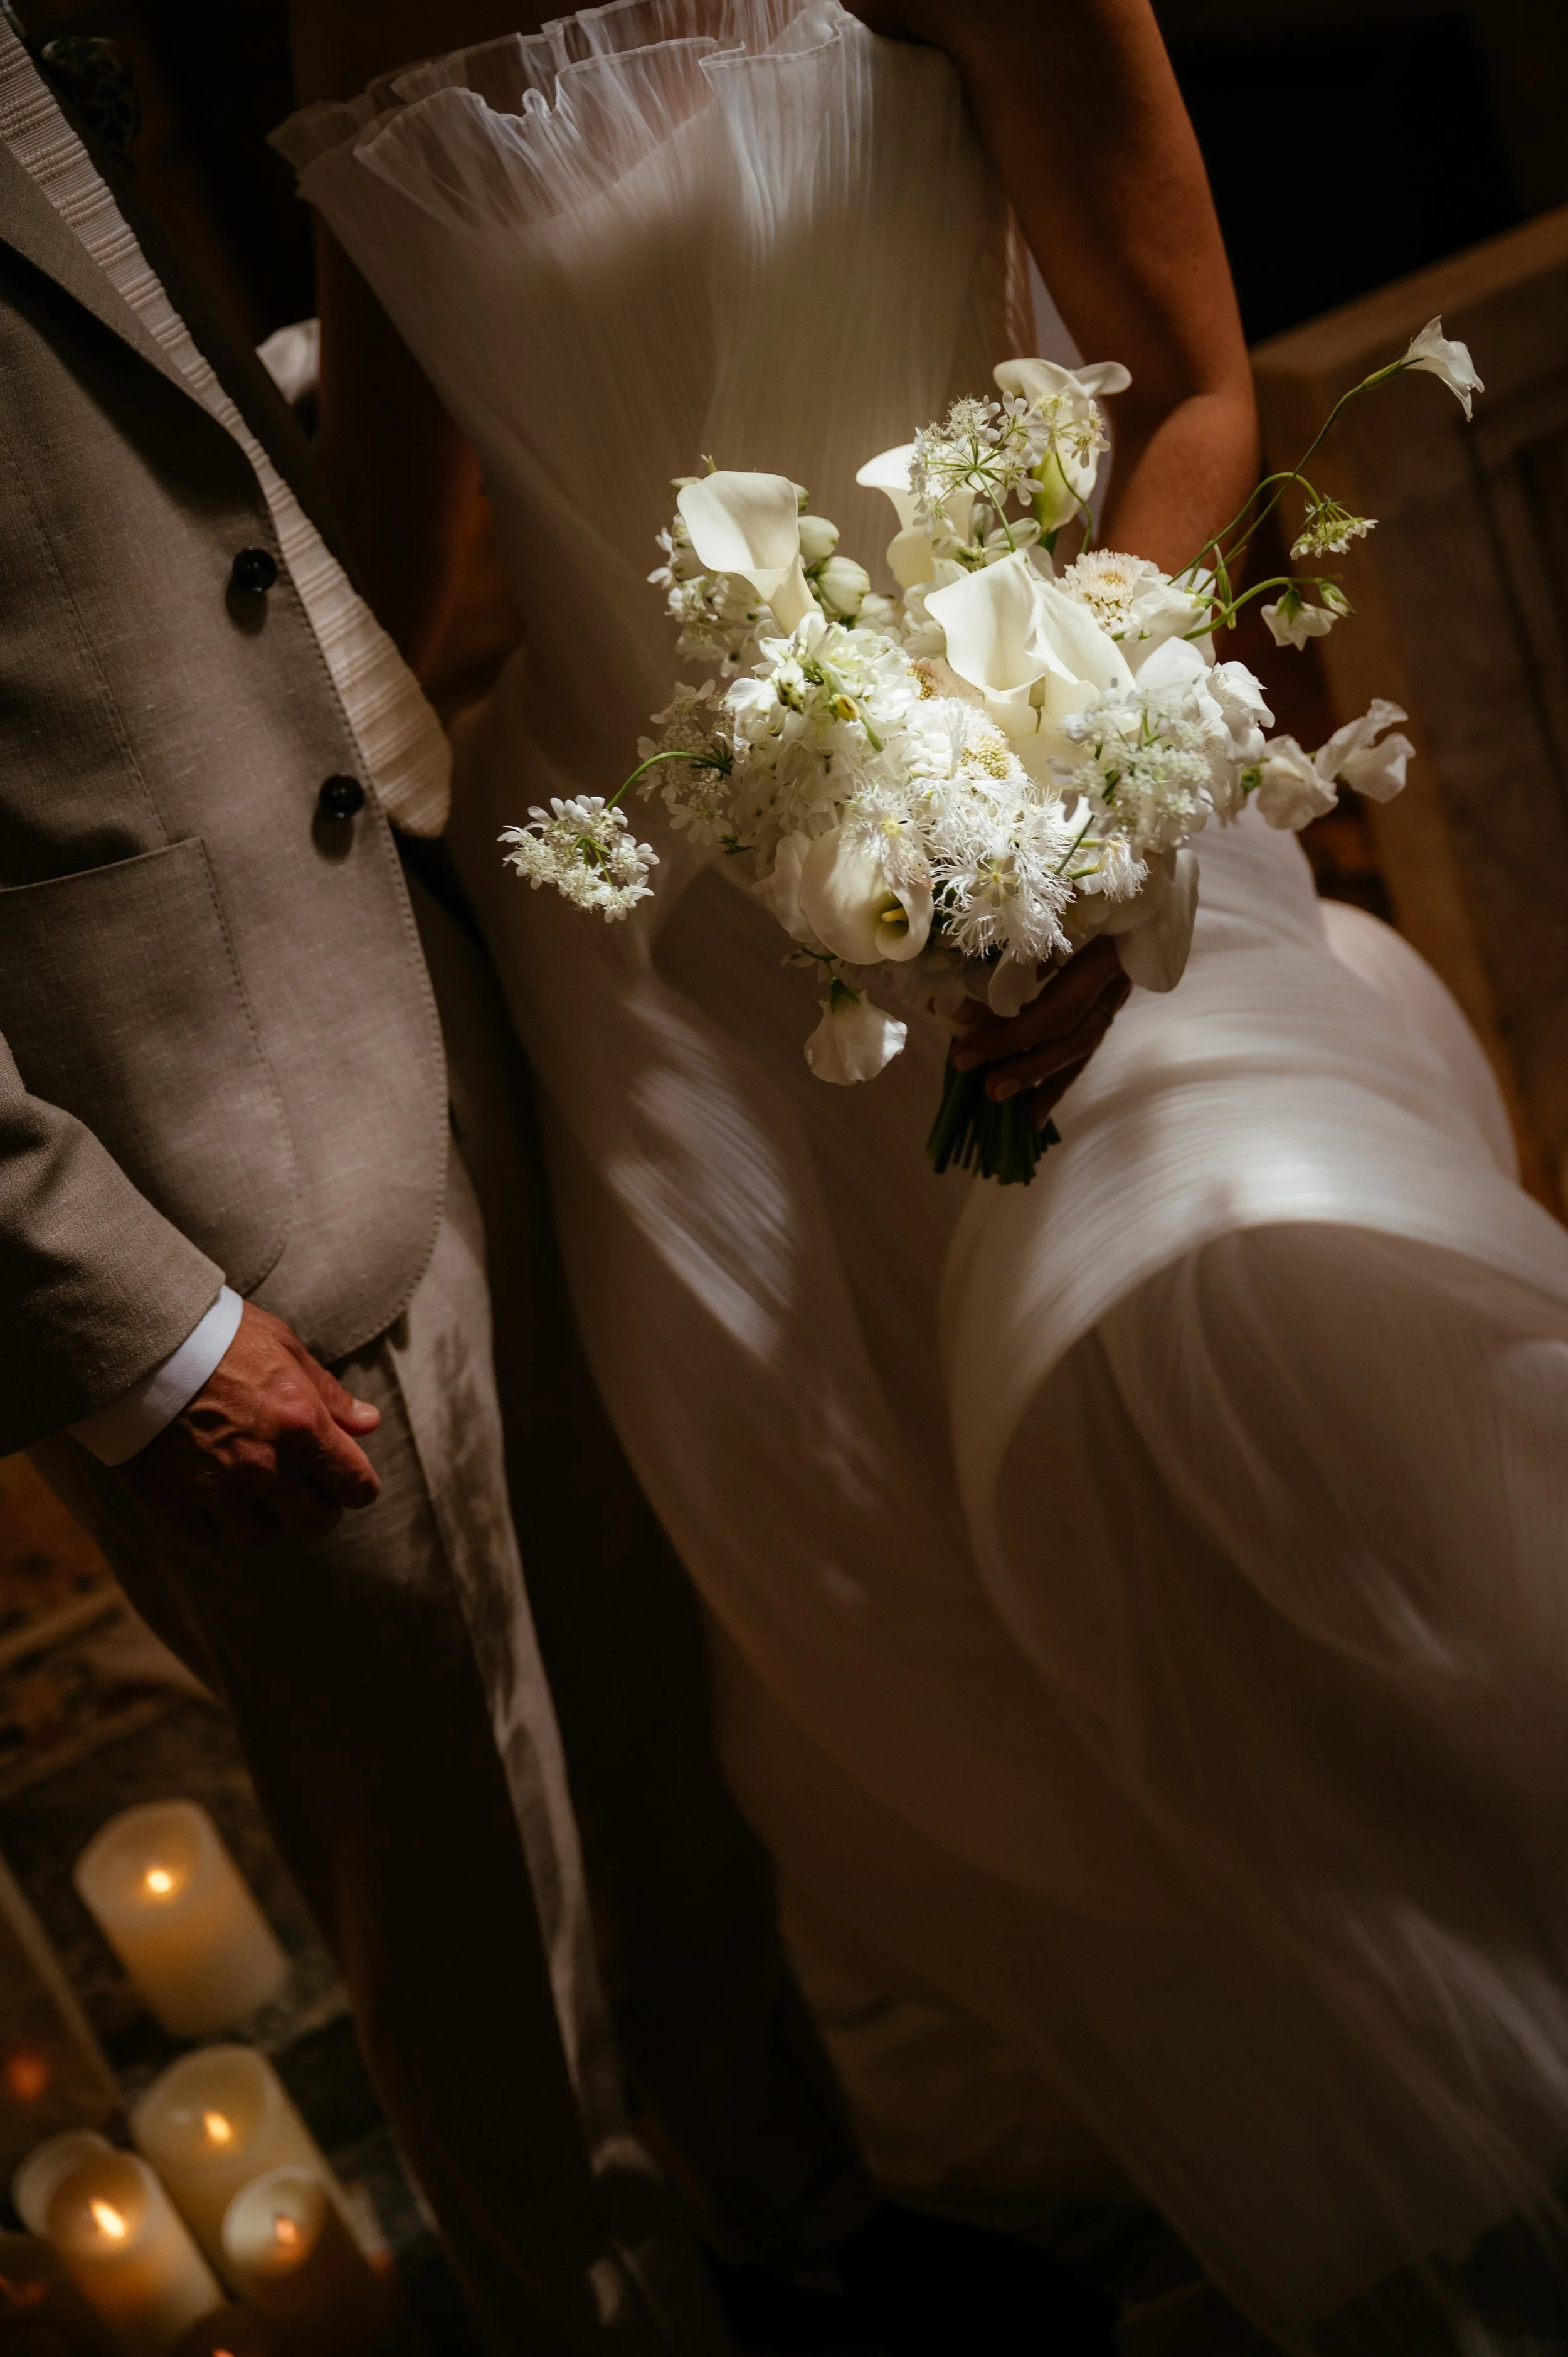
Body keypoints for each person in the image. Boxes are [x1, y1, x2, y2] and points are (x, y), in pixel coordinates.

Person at [277, 1, 1568, 2347]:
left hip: (1037, 791)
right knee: (914, 1614)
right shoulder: (343, 10)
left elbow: (1194, 389)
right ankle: (1335, 2183)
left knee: (1262, 1435)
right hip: (661, 976)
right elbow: (380, 548)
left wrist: (1057, 810)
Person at [0, 18, 773, 2350]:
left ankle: (798, 2222)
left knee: (634, 1693)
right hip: (182, 1142)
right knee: (456, 1842)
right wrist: (113, 1303)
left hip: (420, 910)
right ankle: (606, 2319)